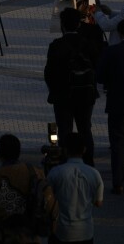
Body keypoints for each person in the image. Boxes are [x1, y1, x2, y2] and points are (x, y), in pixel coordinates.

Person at [45, 9, 100, 167]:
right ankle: (88, 162)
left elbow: (49, 73)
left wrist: (54, 91)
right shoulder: (87, 44)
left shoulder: (56, 45)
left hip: (63, 96)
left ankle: (66, 162)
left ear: (62, 25)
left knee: (64, 130)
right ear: (78, 24)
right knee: (85, 129)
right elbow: (97, 66)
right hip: (85, 94)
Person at [0, 134, 54, 244]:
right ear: (19, 152)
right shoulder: (35, 172)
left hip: (4, 235)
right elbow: (49, 201)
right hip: (30, 234)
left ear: (0, 155)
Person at [46, 132, 103, 244]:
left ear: (65, 150)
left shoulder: (55, 172)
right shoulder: (94, 174)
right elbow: (99, 203)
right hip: (85, 231)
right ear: (84, 150)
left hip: (61, 231)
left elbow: (47, 200)